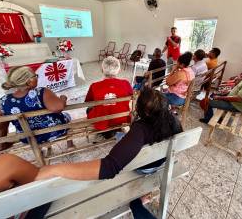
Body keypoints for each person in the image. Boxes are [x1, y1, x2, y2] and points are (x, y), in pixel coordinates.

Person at [36, 88, 183, 219]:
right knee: (126, 139)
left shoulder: (140, 129)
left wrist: (57, 168)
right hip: (163, 162)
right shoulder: (174, 120)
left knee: (121, 138)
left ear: (144, 112)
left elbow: (110, 167)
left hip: (144, 167)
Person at [0, 66, 70, 147]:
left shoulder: (3, 102)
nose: (37, 78)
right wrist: (63, 98)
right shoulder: (41, 92)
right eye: (35, 76)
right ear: (29, 82)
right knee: (67, 116)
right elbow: (58, 107)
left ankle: (2, 144)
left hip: (27, 138)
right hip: (54, 132)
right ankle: (70, 144)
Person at [200, 54, 242, 123]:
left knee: (206, 102)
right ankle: (218, 116)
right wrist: (227, 92)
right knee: (213, 95)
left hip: (236, 105)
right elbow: (241, 88)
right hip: (235, 100)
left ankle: (208, 119)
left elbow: (239, 98)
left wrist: (219, 97)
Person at [85, 56, 133, 135]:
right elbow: (131, 98)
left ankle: (105, 131)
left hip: (102, 121)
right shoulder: (126, 83)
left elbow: (88, 102)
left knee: (89, 109)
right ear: (119, 70)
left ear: (102, 70)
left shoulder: (94, 86)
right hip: (122, 119)